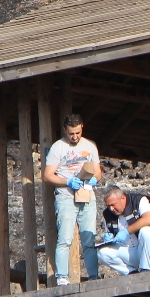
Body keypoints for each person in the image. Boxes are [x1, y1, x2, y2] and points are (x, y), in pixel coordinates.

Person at [43, 113, 103, 287]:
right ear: (65, 130)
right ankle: (62, 277)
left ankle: (93, 276)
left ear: (82, 127)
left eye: (77, 133)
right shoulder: (58, 148)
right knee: (65, 239)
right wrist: (67, 181)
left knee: (89, 239)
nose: (75, 137)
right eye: (71, 133)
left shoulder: (90, 146)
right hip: (66, 197)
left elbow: (98, 171)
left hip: (87, 195)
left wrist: (95, 179)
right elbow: (47, 176)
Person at [99, 186, 150, 275]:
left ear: (122, 198)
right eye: (108, 206)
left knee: (146, 231)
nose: (111, 209)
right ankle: (131, 273)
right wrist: (109, 240)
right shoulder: (107, 214)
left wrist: (126, 231)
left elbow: (148, 219)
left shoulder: (139, 200)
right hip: (131, 252)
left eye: (113, 205)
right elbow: (111, 236)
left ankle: (146, 270)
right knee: (102, 252)